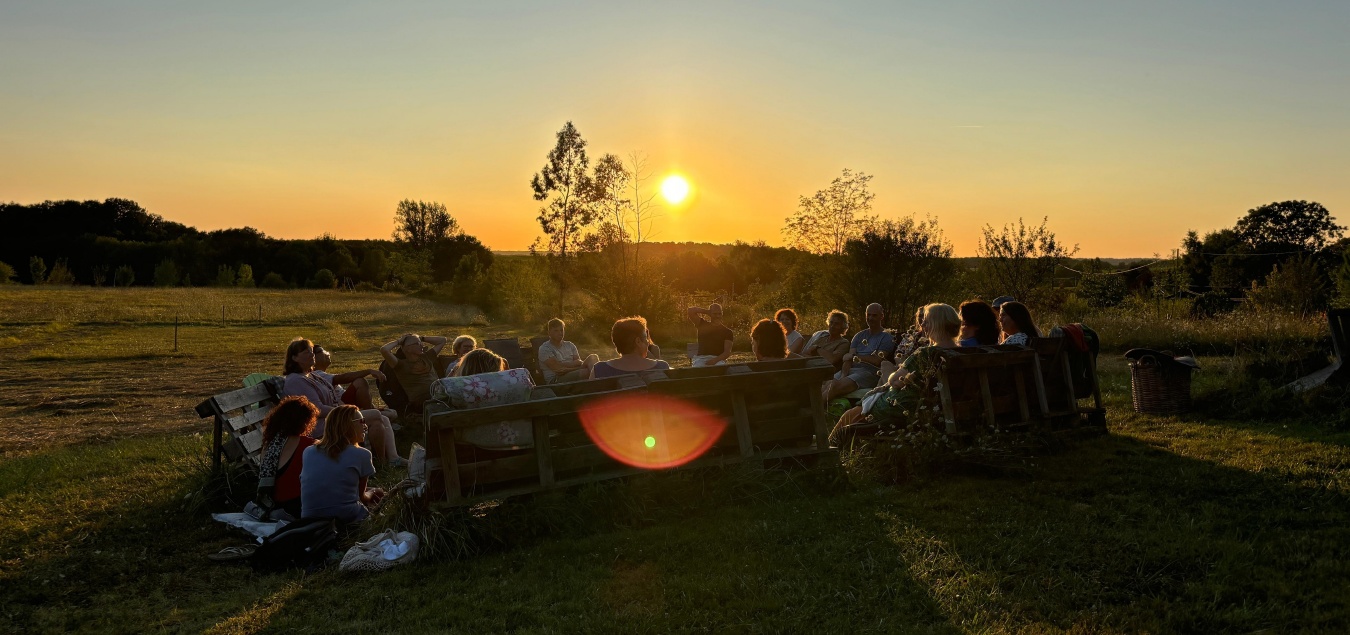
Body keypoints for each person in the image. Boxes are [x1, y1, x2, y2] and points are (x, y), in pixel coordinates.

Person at [833, 303, 963, 437]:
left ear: (937, 325)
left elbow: (895, 381)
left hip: (903, 408)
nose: (922, 325)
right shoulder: (963, 353)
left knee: (849, 418)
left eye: (926, 322)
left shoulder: (926, 353)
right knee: (855, 414)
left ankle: (829, 449)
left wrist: (895, 374)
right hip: (935, 407)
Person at [282, 338, 402, 465]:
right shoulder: (296, 380)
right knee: (375, 415)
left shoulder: (312, 376)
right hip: (319, 425)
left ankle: (387, 460)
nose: (312, 354)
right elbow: (317, 409)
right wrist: (346, 413)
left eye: (311, 351)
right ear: (294, 358)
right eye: (306, 352)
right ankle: (382, 462)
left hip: (331, 419)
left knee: (380, 418)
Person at [300, 405, 384, 524]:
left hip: (309, 518)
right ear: (349, 426)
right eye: (362, 421)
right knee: (377, 494)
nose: (365, 426)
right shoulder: (362, 454)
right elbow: (362, 497)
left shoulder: (308, 452)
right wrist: (375, 492)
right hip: (346, 517)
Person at [256, 396, 319, 519]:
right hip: (297, 505)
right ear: (306, 422)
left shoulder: (269, 444)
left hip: (274, 503)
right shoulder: (309, 444)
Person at [822, 303, 896, 401]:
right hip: (850, 370)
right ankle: (812, 409)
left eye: (874, 315)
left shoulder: (886, 337)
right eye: (868, 315)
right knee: (825, 383)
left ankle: (814, 412)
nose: (870, 318)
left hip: (869, 373)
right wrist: (844, 374)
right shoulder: (859, 336)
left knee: (835, 386)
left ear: (881, 316)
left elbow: (877, 360)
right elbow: (848, 358)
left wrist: (855, 357)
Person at [312, 345, 394, 419]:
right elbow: (344, 378)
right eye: (321, 351)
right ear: (313, 357)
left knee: (392, 413)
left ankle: (371, 413)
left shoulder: (322, 374)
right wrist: (369, 371)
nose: (327, 353)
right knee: (360, 382)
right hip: (342, 408)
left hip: (347, 405)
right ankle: (371, 416)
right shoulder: (317, 374)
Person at [380, 333, 447, 412]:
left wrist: (421, 338)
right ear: (406, 349)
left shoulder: (426, 357)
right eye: (417, 344)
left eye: (421, 343)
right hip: (422, 400)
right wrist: (399, 341)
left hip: (439, 393)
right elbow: (384, 350)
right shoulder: (400, 365)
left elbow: (442, 340)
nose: (421, 345)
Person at [592, 316, 671, 378]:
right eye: (646, 338)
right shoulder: (662, 367)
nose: (648, 342)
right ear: (638, 341)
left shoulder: (599, 370)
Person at [537, 318, 598, 383]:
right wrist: (577, 367)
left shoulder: (570, 345)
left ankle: (599, 383)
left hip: (572, 372)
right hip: (556, 380)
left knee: (593, 357)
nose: (560, 333)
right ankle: (597, 385)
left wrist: (564, 365)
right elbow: (559, 370)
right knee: (587, 371)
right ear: (549, 333)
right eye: (556, 331)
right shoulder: (545, 349)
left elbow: (578, 362)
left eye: (561, 330)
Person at [686, 303, 733, 367]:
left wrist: (714, 361)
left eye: (719, 314)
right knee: (697, 369)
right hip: (701, 358)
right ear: (710, 314)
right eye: (715, 314)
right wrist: (706, 311)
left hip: (718, 359)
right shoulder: (702, 324)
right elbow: (690, 311)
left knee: (719, 367)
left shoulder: (728, 332)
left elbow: (727, 353)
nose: (717, 316)